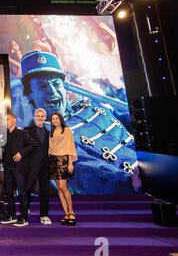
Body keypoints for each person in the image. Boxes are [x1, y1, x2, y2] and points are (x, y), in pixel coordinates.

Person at [20, 51, 139, 194]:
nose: (52, 91)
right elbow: (83, 171)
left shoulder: (92, 107)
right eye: (43, 86)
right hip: (131, 192)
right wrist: (130, 181)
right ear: (29, 95)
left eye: (56, 84)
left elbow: (134, 123)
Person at [0, 112, 38, 227]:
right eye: (4, 120)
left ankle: (23, 218)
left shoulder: (22, 133)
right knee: (8, 193)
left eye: (8, 119)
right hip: (8, 167)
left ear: (14, 120)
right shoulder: (4, 135)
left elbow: (34, 145)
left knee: (22, 193)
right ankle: (12, 216)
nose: (5, 122)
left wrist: (21, 153)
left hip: (19, 168)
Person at [49, 112, 78, 226]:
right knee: (59, 189)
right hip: (53, 160)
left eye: (57, 118)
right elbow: (50, 148)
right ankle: (66, 213)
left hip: (64, 160)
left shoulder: (67, 130)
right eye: (53, 119)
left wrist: (70, 163)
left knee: (63, 186)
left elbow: (70, 146)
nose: (55, 120)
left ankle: (72, 212)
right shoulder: (52, 132)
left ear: (60, 119)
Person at [24, 108, 52, 225]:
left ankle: (44, 215)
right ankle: (25, 209)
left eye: (42, 116)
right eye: (38, 115)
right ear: (34, 117)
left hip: (44, 166)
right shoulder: (27, 131)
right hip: (31, 165)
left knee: (45, 191)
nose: (40, 118)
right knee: (28, 188)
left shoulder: (48, 132)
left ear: (45, 118)